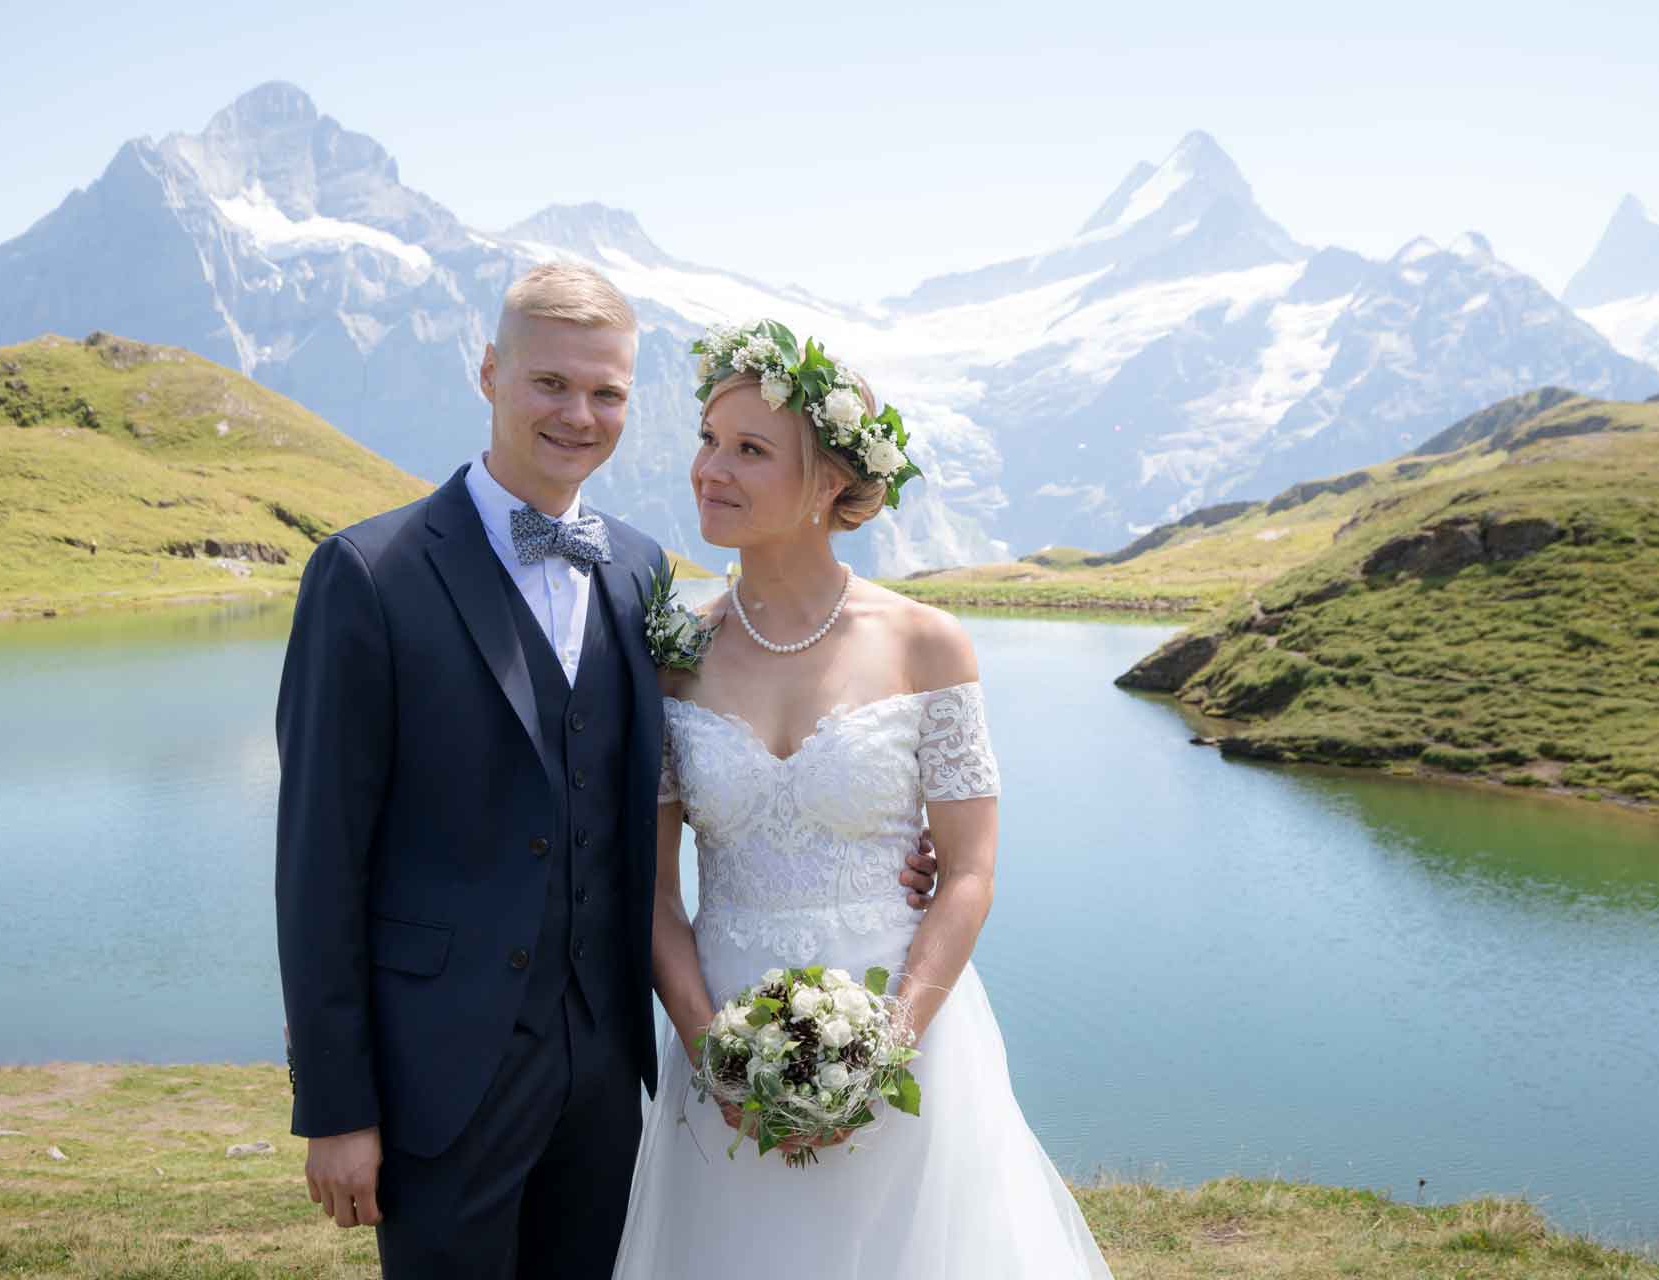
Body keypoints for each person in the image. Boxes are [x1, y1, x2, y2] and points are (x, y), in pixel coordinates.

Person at [273, 266, 937, 1279]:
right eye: (550, 383)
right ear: (489, 371)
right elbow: (317, 863)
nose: (579, 414)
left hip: (607, 1078)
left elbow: (693, 780)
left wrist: (884, 837)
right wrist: (336, 1107)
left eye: (608, 392)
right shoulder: (369, 575)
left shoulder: (641, 571)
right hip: (438, 1082)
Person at [611, 321, 1111, 1277]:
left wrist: (886, 1049)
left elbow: (968, 872)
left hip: (904, 1032)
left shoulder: (929, 645)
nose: (711, 469)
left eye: (750, 450)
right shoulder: (673, 653)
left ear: (832, 484)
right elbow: (654, 893)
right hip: (722, 1035)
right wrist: (714, 1051)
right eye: (708, 440)